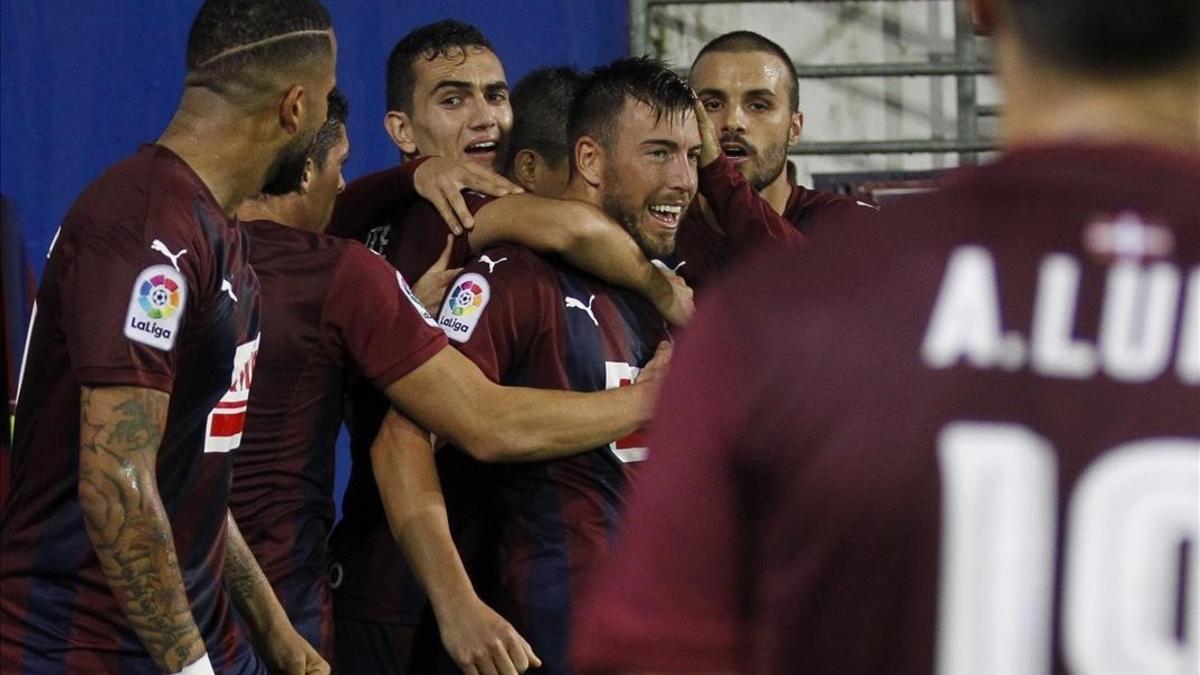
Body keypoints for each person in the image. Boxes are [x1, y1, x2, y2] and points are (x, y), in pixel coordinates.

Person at [573, 0, 1200, 673]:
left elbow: (654, 654)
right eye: (714, 104)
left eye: (758, 103)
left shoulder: (784, 315)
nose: (730, 125)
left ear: (980, 11)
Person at [232, 88, 668, 675]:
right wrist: (650, 388)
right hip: (353, 597)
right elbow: (470, 423)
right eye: (455, 100)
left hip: (205, 583)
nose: (486, 117)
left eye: (498, 94)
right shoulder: (379, 263)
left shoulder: (180, 245)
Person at [0, 2, 336, 673]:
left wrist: (273, 630)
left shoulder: (216, 232)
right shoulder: (145, 226)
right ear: (295, 107)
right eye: (328, 102)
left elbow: (187, 472)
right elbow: (118, 480)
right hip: (78, 648)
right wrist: (191, 667)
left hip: (193, 640)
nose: (327, 119)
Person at [415, 56, 697, 675]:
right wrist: (456, 603)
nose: (682, 179)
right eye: (658, 153)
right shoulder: (511, 277)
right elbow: (405, 439)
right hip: (552, 637)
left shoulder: (671, 291)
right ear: (591, 160)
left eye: (692, 157)